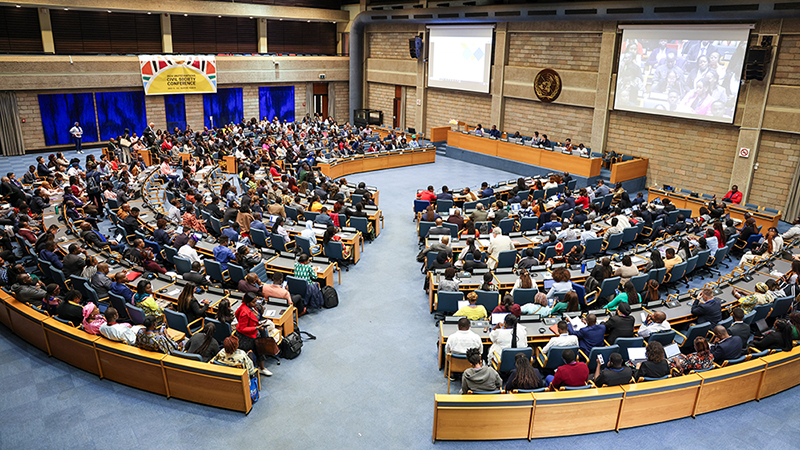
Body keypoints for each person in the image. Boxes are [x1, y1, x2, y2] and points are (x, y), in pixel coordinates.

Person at [235, 292, 272, 377]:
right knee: (254, 353)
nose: (256, 304)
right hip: (246, 337)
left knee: (260, 350)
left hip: (255, 332)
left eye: (256, 301)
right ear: (248, 302)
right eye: (254, 302)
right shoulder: (244, 312)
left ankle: (261, 368)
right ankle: (253, 371)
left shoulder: (250, 307)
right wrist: (256, 328)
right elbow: (242, 328)